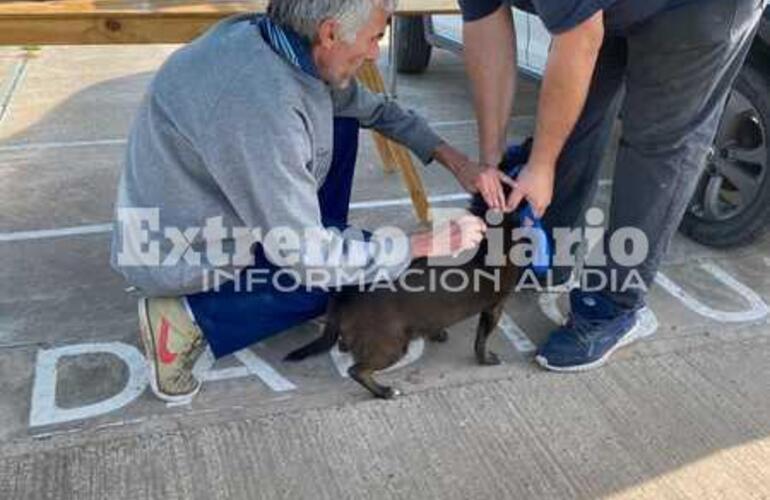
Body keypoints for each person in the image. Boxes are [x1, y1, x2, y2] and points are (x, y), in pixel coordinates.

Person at [110, 0, 511, 404]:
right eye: (374, 38)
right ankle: (185, 320)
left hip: (203, 203)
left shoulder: (274, 42)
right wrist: (423, 245)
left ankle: (316, 245)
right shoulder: (263, 110)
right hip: (179, 249)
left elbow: (375, 109)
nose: (375, 52)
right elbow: (308, 257)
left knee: (342, 118)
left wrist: (458, 162)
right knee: (341, 276)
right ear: (330, 33)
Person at [458, 0, 767, 371]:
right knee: (571, 120)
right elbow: (485, 22)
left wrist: (540, 166)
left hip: (694, 10)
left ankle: (612, 305)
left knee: (658, 147)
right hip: (610, 8)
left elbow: (579, 40)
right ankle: (549, 256)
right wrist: (491, 160)